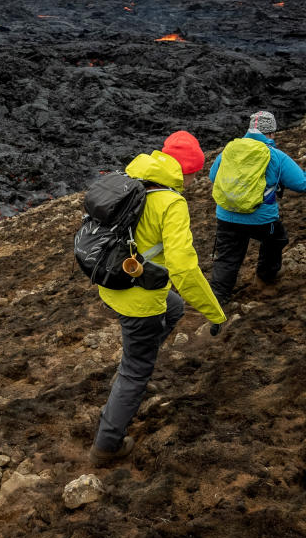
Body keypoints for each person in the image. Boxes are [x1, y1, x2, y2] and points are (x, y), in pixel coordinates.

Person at [89, 130, 227, 466]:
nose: (193, 183)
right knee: (136, 370)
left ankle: (133, 363)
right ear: (186, 171)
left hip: (111, 282)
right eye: (193, 176)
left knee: (174, 306)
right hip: (138, 299)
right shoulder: (171, 203)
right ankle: (106, 447)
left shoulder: (131, 178)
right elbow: (184, 271)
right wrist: (215, 314)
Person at [207, 111, 306, 305]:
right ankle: (265, 281)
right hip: (260, 218)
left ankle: (216, 301)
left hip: (226, 216)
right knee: (276, 239)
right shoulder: (275, 156)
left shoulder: (229, 149)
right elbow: (303, 184)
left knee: (227, 257)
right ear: (271, 133)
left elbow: (213, 177)